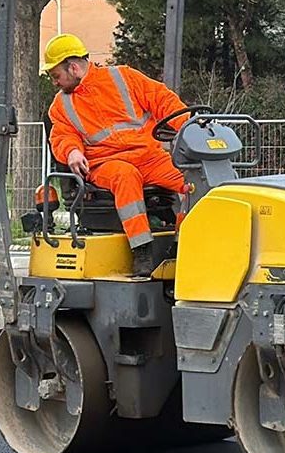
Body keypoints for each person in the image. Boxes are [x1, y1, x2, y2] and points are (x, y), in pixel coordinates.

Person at [43, 33, 188, 277]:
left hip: (149, 156)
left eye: (56, 76)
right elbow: (62, 136)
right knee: (125, 175)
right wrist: (73, 152)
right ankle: (142, 250)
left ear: (74, 67)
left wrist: (191, 126)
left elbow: (162, 100)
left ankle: (182, 244)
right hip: (106, 164)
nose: (55, 83)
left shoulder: (123, 77)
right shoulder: (61, 105)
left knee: (192, 181)